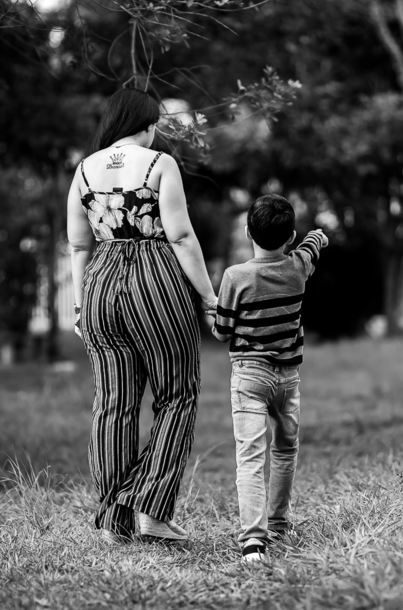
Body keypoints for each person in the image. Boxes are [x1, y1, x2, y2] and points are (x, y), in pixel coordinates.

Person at [67, 88, 218, 545]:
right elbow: (182, 236)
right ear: (148, 125)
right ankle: (149, 508)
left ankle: (116, 521)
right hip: (154, 278)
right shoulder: (159, 164)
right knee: (177, 394)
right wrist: (210, 299)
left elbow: (77, 245)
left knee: (113, 403)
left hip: (100, 281)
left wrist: (79, 305)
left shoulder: (84, 171)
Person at [212, 194, 328, 563]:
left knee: (250, 457)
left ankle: (253, 542)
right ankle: (278, 522)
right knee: (285, 449)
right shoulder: (298, 268)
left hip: (250, 377)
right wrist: (318, 237)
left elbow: (222, 331)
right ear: (289, 237)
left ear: (248, 232)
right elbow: (312, 246)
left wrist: (213, 308)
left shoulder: (236, 277)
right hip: (288, 378)